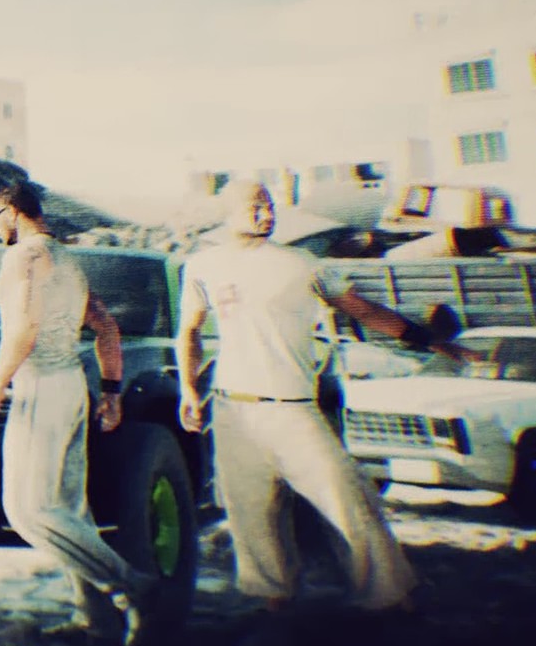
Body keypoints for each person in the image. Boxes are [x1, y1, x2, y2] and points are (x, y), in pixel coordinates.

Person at [176, 179, 466, 613]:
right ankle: (272, 602)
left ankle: (389, 595)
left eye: (270, 205)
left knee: (345, 497)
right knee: (249, 514)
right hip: (232, 408)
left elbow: (364, 310)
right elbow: (189, 331)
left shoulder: (301, 264)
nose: (267, 214)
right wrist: (187, 388)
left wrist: (426, 339)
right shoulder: (202, 265)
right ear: (229, 211)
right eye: (256, 206)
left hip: (291, 407)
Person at [0, 183, 159, 646]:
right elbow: (106, 325)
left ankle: (133, 586)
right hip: (73, 386)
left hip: (40, 385)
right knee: (71, 510)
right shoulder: (67, 258)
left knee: (28, 511)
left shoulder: (24, 257)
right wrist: (111, 391)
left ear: (12, 212)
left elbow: (24, 328)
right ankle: (98, 623)